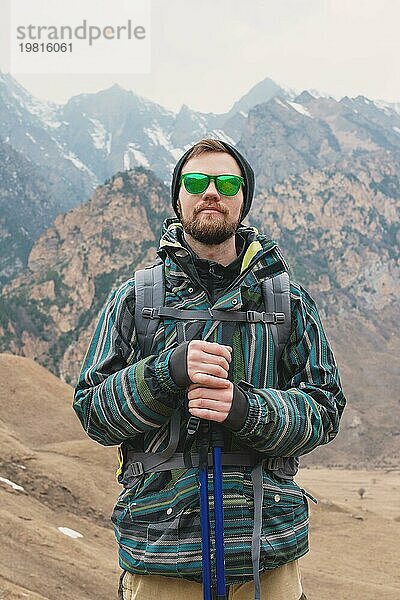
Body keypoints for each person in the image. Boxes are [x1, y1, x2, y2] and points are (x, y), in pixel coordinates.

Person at [73, 138, 346, 600]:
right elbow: (93, 412)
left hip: (268, 556)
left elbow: (325, 408)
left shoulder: (287, 302)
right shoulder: (136, 300)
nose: (211, 192)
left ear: (244, 197)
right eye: (196, 181)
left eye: (227, 182)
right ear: (178, 197)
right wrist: (166, 373)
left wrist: (245, 408)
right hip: (162, 555)